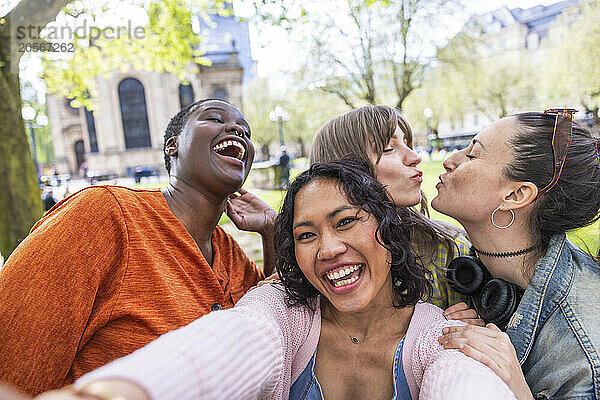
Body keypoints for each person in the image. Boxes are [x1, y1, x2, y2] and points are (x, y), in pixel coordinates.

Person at [36, 158, 515, 400]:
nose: (328, 248)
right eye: (307, 235)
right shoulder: (283, 312)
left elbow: (465, 384)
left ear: (387, 230)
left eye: (346, 221)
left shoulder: (440, 334)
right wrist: (116, 393)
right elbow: (227, 345)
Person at [0, 99, 276, 395]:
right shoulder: (103, 214)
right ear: (173, 146)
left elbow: (273, 320)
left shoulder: (231, 254)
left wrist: (271, 230)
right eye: (214, 118)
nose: (236, 129)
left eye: (245, 131)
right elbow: (14, 363)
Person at [434, 109, 600, 399]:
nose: (450, 161)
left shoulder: (582, 350)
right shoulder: (484, 273)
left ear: (515, 195)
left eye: (472, 155)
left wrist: (518, 390)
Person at [311, 105, 474, 316]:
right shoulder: (313, 263)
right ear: (345, 171)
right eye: (389, 149)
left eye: (407, 143)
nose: (414, 157)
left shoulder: (448, 250)